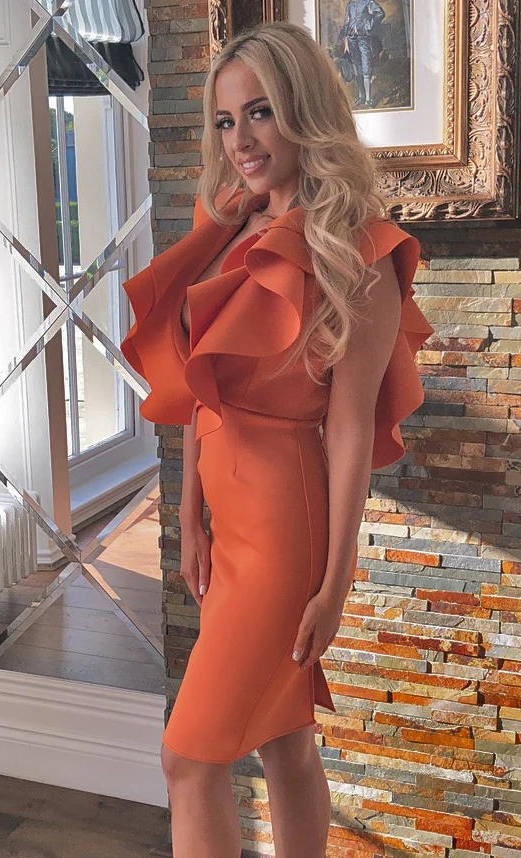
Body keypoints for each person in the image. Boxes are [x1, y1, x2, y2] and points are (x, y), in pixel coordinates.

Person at [120, 20, 433, 858]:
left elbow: (348, 426)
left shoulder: (358, 252)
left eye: (259, 112)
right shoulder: (225, 227)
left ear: (304, 111)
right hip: (225, 523)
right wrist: (188, 514)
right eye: (226, 121)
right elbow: (202, 391)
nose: (241, 140)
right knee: (282, 739)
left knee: (188, 760)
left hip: (284, 527)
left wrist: (334, 582)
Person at [341, 0, 386, 108]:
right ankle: (361, 96)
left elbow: (380, 13)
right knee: (357, 67)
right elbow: (347, 22)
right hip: (352, 39)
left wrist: (369, 24)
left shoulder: (368, 2)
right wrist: (346, 41)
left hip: (364, 38)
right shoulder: (350, 5)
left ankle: (368, 99)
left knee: (366, 66)